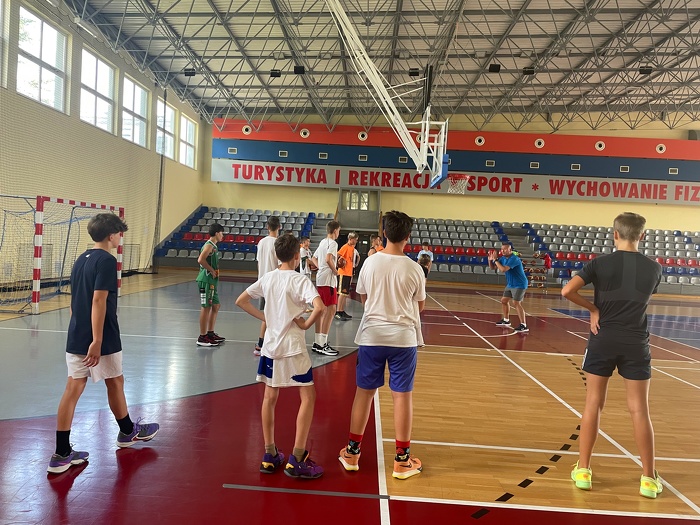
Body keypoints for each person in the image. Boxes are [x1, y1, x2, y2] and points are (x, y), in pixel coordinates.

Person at [562, 212, 663, 498]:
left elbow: (567, 290)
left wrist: (594, 309)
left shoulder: (599, 264)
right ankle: (648, 478)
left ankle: (583, 470)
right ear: (642, 235)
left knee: (593, 404)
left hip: (602, 339)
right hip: (636, 343)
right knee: (639, 409)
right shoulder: (655, 268)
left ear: (615, 234)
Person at [48, 214, 159, 474]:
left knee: (73, 388)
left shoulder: (80, 259)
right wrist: (97, 340)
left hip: (76, 333)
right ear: (111, 235)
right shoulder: (107, 261)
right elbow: (99, 300)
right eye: (120, 233)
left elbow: (75, 301)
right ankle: (127, 432)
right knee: (115, 381)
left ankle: (61, 453)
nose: (121, 238)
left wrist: (80, 331)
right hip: (103, 335)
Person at [338, 210, 426, 480]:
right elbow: (420, 306)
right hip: (403, 339)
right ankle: (402, 460)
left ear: (384, 233)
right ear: (408, 236)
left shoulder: (370, 263)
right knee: (402, 397)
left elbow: (363, 298)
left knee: (364, 394)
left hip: (372, 337)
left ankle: (352, 453)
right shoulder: (415, 268)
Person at [235, 234, 326, 479]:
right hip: (293, 348)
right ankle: (297, 458)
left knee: (270, 397)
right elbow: (320, 307)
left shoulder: (269, 278)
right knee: (308, 396)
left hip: (270, 347)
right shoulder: (300, 280)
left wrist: (267, 318)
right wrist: (305, 324)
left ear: (277, 255)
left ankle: (269, 454)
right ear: (297, 255)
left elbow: (241, 301)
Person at [310, 220, 341, 356]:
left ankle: (318, 342)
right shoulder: (333, 243)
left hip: (321, 278)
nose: (338, 233)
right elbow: (328, 259)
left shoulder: (323, 242)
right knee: (331, 310)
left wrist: (320, 267)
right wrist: (335, 271)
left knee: (321, 310)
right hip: (328, 280)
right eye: (338, 230)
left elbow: (314, 257)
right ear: (335, 231)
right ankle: (322, 344)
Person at [488, 242, 529, 333]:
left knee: (516, 303)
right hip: (510, 284)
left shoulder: (514, 259)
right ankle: (506, 320)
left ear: (510, 250)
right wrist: (490, 260)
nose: (502, 251)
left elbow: (503, 269)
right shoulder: (503, 259)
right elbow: (493, 268)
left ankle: (524, 325)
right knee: (504, 300)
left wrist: (495, 260)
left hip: (520, 284)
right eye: (501, 249)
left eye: (505, 249)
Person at [196, 223, 225, 347]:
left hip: (212, 282)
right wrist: (211, 270)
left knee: (216, 305)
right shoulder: (209, 245)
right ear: (217, 233)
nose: (223, 235)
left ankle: (210, 333)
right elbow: (200, 260)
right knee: (206, 307)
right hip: (206, 280)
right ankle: (202, 337)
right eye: (222, 233)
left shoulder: (213, 246)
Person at [255, 216, 281, 356]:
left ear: (267, 227)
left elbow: (259, 262)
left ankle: (261, 343)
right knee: (275, 314)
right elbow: (280, 265)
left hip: (262, 281)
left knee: (267, 314)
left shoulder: (261, 242)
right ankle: (267, 343)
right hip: (274, 283)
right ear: (279, 227)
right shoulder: (278, 243)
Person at [335, 232, 359, 320]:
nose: (356, 241)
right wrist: (338, 263)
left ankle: (342, 310)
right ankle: (338, 312)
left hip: (348, 273)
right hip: (343, 273)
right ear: (350, 239)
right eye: (355, 239)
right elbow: (337, 255)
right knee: (341, 293)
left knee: (345, 293)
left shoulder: (352, 248)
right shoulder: (345, 247)